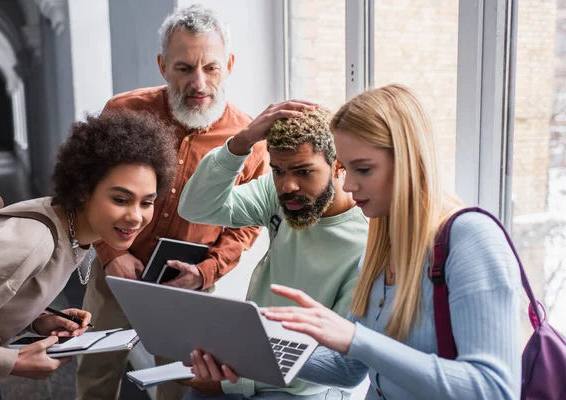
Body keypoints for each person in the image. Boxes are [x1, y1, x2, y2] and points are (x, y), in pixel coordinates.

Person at [195, 84, 521, 399]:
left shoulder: (471, 238)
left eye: (363, 169)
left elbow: (493, 388)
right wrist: (249, 350)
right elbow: (348, 370)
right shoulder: (381, 246)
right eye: (347, 169)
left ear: (408, 160)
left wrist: (356, 339)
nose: (348, 185)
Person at [74, 5, 268, 400]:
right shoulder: (123, 111)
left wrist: (207, 272)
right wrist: (111, 253)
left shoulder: (249, 142)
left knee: (181, 379)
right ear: (163, 66)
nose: (199, 82)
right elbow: (85, 184)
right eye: (184, 68)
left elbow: (246, 225)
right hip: (118, 273)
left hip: (190, 282)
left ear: (229, 64)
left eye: (211, 67)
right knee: (97, 370)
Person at [0, 110, 177, 399]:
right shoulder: (35, 243)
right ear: (83, 190)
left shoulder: (66, 226)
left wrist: (34, 318)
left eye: (147, 202)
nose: (135, 217)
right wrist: (12, 361)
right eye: (120, 199)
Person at [177, 101, 369, 399]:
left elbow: (338, 366)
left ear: (338, 165)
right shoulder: (277, 194)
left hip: (305, 389)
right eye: (278, 171)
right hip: (252, 360)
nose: (287, 185)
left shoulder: (365, 242)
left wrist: (235, 381)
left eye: (304, 172)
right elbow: (197, 207)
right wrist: (241, 143)